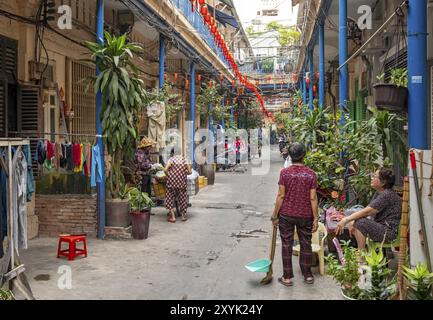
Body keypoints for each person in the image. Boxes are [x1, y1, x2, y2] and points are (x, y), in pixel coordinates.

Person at [271, 142, 319, 286]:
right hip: (306, 215)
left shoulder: (284, 173)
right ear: (304, 155)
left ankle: (287, 277)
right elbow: (313, 197)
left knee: (287, 244)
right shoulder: (311, 174)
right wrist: (316, 217)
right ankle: (308, 274)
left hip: (286, 214)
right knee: (306, 243)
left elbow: (280, 195)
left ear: (290, 156)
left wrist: (274, 215)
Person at [335, 168, 402, 250]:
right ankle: (360, 253)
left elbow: (367, 212)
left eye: (374, 176)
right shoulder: (379, 193)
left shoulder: (386, 195)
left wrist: (346, 219)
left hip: (389, 233)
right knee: (357, 221)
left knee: (361, 223)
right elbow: (368, 211)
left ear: (383, 182)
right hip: (381, 228)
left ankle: (361, 255)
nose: (372, 178)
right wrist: (352, 220)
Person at [165, 150, 191, 223]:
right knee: (183, 198)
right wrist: (184, 172)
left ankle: (173, 217)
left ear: (172, 153)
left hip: (171, 182)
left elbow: (165, 169)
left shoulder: (171, 159)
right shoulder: (185, 160)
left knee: (169, 197)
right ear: (180, 153)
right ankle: (183, 216)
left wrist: (169, 175)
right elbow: (190, 172)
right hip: (181, 182)